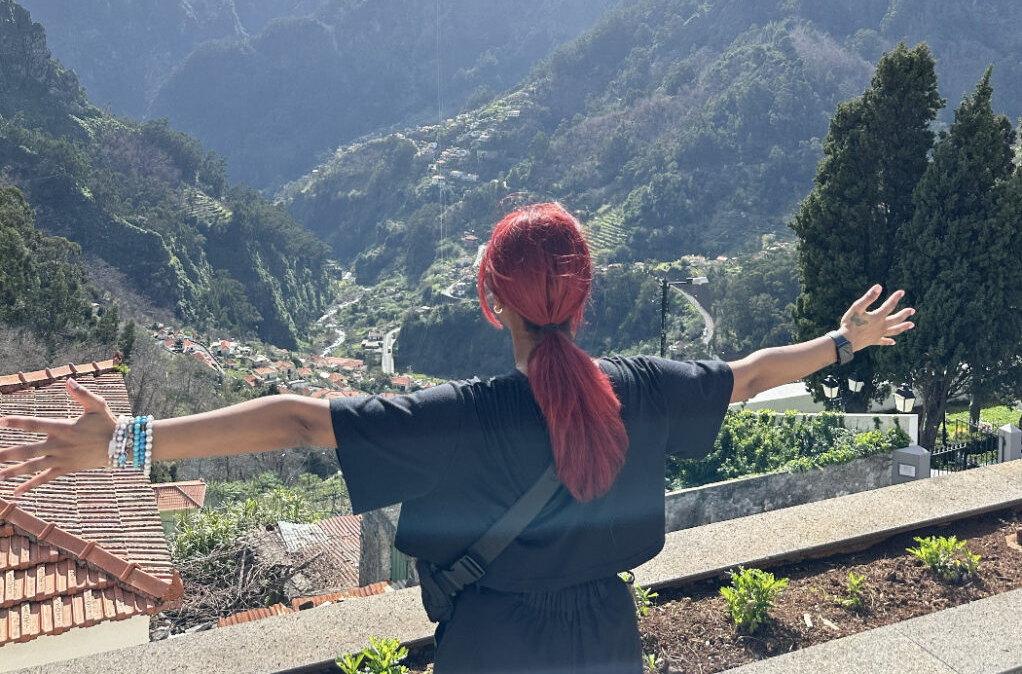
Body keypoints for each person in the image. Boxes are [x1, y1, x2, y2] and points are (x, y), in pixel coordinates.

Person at [0, 202, 913, 674]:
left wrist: (123, 441)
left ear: (490, 303)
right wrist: (842, 342)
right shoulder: (642, 391)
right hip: (608, 638)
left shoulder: (460, 416)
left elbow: (293, 416)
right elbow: (752, 373)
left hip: (492, 649)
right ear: (583, 298)